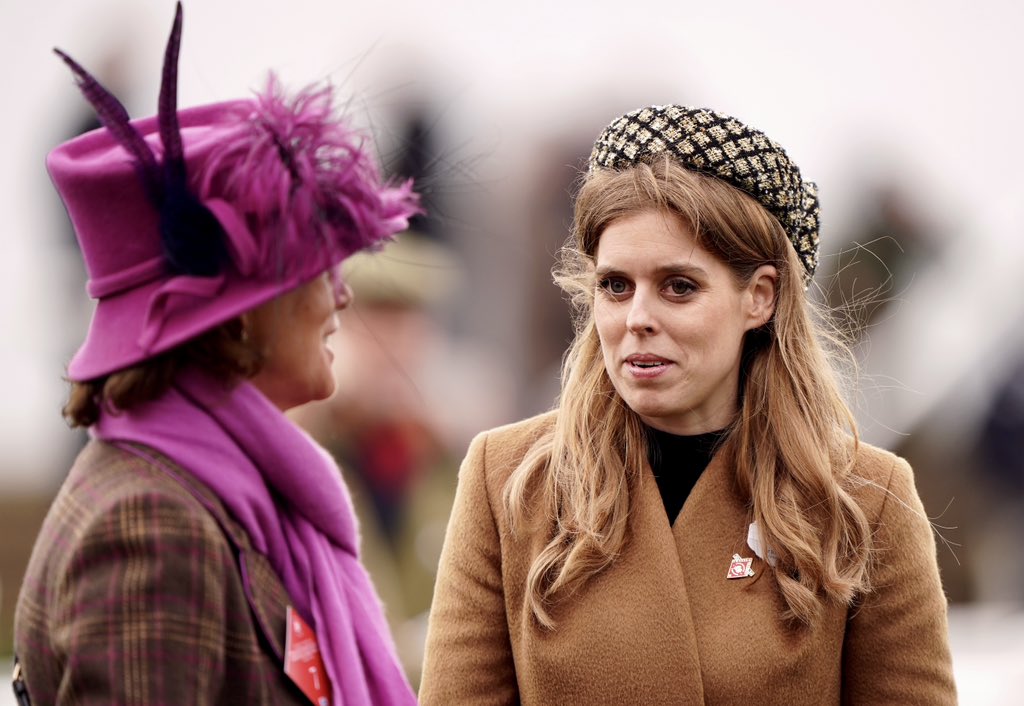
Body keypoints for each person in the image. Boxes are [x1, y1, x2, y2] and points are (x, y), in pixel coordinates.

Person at [419, 105, 957, 704]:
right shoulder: (509, 482)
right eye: (615, 286)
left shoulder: (863, 502)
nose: (638, 319)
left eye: (679, 286)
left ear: (760, 297)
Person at [13, 5, 420, 704]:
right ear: (235, 319)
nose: (341, 298)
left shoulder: (211, 496)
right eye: (316, 272)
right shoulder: (150, 524)